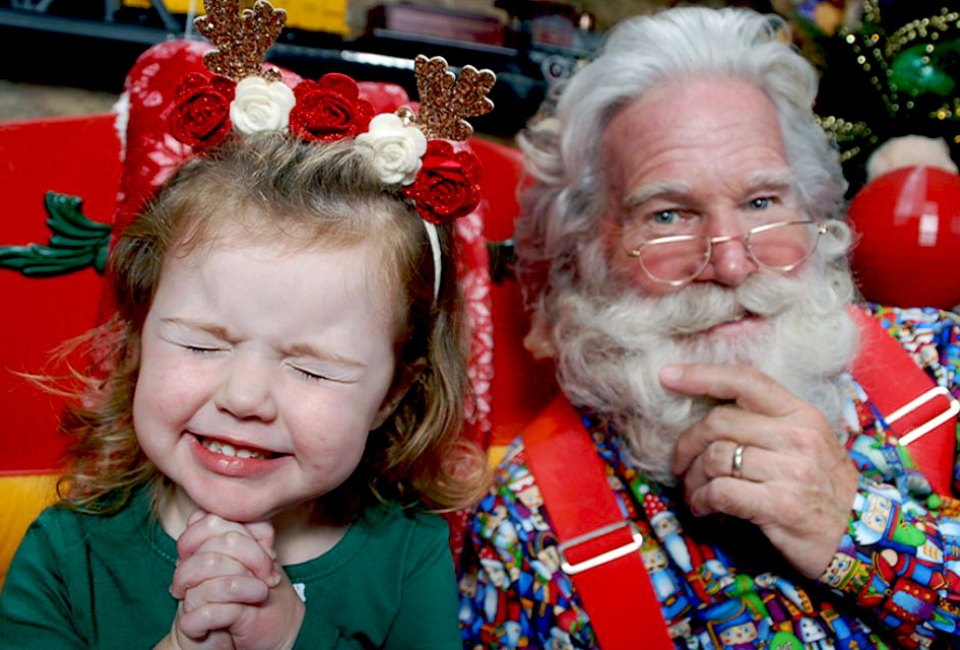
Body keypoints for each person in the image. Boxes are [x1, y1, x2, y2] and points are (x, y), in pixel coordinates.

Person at [458, 5, 960, 649]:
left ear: (811, 211)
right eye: (668, 215)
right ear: (582, 253)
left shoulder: (941, 364)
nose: (729, 263)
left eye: (761, 202)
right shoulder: (526, 533)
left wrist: (856, 526)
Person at [0, 1, 494, 647]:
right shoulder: (68, 553)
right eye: (202, 344)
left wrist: (292, 637)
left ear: (394, 394)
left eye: (312, 368)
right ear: (140, 335)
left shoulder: (410, 556)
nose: (244, 398)